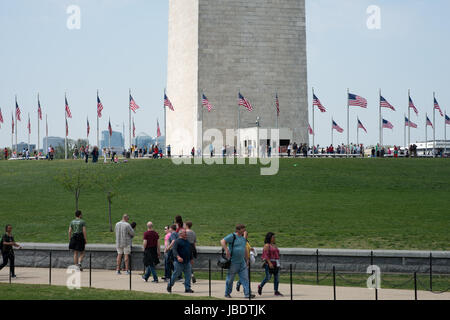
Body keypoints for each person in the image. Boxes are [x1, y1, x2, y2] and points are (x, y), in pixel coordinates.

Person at [220, 224, 255, 299]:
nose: (244, 231)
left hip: (242, 262)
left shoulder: (243, 238)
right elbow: (222, 241)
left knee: (245, 278)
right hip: (233, 262)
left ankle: (247, 294)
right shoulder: (232, 236)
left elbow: (244, 249)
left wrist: (247, 259)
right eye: (243, 229)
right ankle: (227, 293)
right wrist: (226, 250)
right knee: (230, 279)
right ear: (238, 230)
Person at [167, 229, 194, 293]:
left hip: (187, 262)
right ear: (180, 234)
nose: (186, 234)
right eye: (184, 233)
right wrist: (178, 257)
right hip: (178, 262)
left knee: (188, 275)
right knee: (175, 275)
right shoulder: (177, 241)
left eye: (186, 233)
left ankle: (187, 288)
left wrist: (191, 258)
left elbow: (190, 251)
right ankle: (169, 285)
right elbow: (174, 250)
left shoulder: (187, 241)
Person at [258, 232, 283, 296]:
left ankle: (276, 291)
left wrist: (278, 264)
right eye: (273, 237)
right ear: (269, 238)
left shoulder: (274, 245)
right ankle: (260, 286)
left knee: (276, 278)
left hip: (276, 263)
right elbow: (266, 255)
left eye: (274, 237)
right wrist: (269, 263)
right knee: (268, 277)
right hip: (269, 263)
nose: (274, 238)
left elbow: (277, 255)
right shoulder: (267, 245)